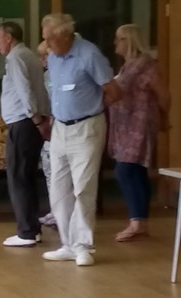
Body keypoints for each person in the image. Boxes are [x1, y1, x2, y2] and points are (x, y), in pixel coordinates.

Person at [40, 13, 121, 266]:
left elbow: (114, 91)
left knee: (83, 187)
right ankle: (67, 244)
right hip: (60, 128)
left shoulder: (89, 54)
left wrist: (93, 109)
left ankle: (83, 245)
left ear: (64, 36)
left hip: (86, 128)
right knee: (58, 189)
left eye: (49, 40)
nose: (46, 45)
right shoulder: (53, 56)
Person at [110, 24, 170, 242]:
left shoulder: (146, 66)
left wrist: (164, 119)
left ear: (129, 41)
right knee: (135, 171)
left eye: (119, 39)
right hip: (124, 126)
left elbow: (164, 96)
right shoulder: (127, 66)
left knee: (124, 170)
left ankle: (137, 221)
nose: (115, 43)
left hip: (139, 125)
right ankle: (140, 222)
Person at [0, 22, 50, 247]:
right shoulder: (30, 55)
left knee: (18, 176)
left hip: (23, 122)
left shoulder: (16, 58)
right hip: (31, 122)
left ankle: (26, 232)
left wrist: (36, 119)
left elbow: (25, 91)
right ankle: (32, 228)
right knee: (26, 176)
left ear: (8, 37)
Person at [36, 40, 57, 230]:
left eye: (45, 56)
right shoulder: (46, 76)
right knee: (49, 171)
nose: (42, 60)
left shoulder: (55, 76)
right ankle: (55, 209)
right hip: (47, 128)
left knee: (58, 172)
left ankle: (61, 212)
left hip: (57, 127)